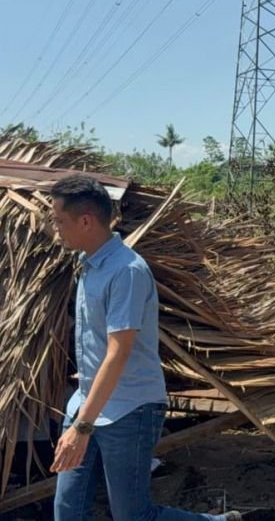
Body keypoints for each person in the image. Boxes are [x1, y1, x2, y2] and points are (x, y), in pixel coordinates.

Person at [49, 175, 241, 521]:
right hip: (88, 403)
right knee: (67, 508)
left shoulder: (126, 272)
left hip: (128, 409)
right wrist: (80, 416)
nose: (55, 229)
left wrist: (81, 428)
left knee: (133, 516)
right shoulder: (89, 266)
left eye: (59, 221)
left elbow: (117, 352)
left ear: (86, 221)